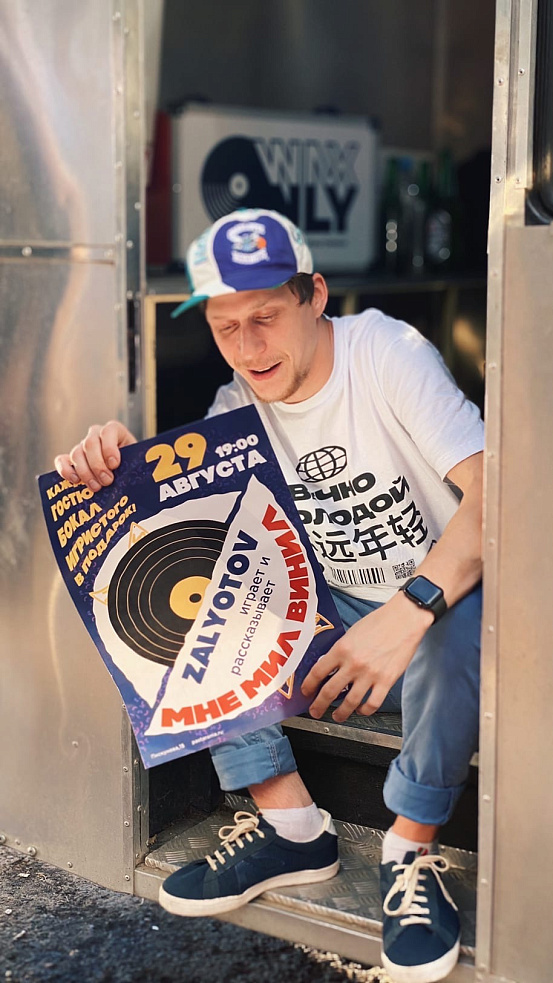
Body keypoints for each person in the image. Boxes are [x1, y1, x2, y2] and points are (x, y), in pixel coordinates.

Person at [55, 208, 483, 983]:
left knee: (460, 619)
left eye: (264, 318)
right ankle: (291, 826)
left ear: (313, 296)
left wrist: (407, 610)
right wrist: (113, 468)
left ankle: (408, 851)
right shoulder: (235, 408)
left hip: (442, 606)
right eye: (226, 327)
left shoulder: (384, 351)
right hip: (337, 621)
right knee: (187, 591)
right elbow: (174, 529)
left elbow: (501, 499)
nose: (248, 348)